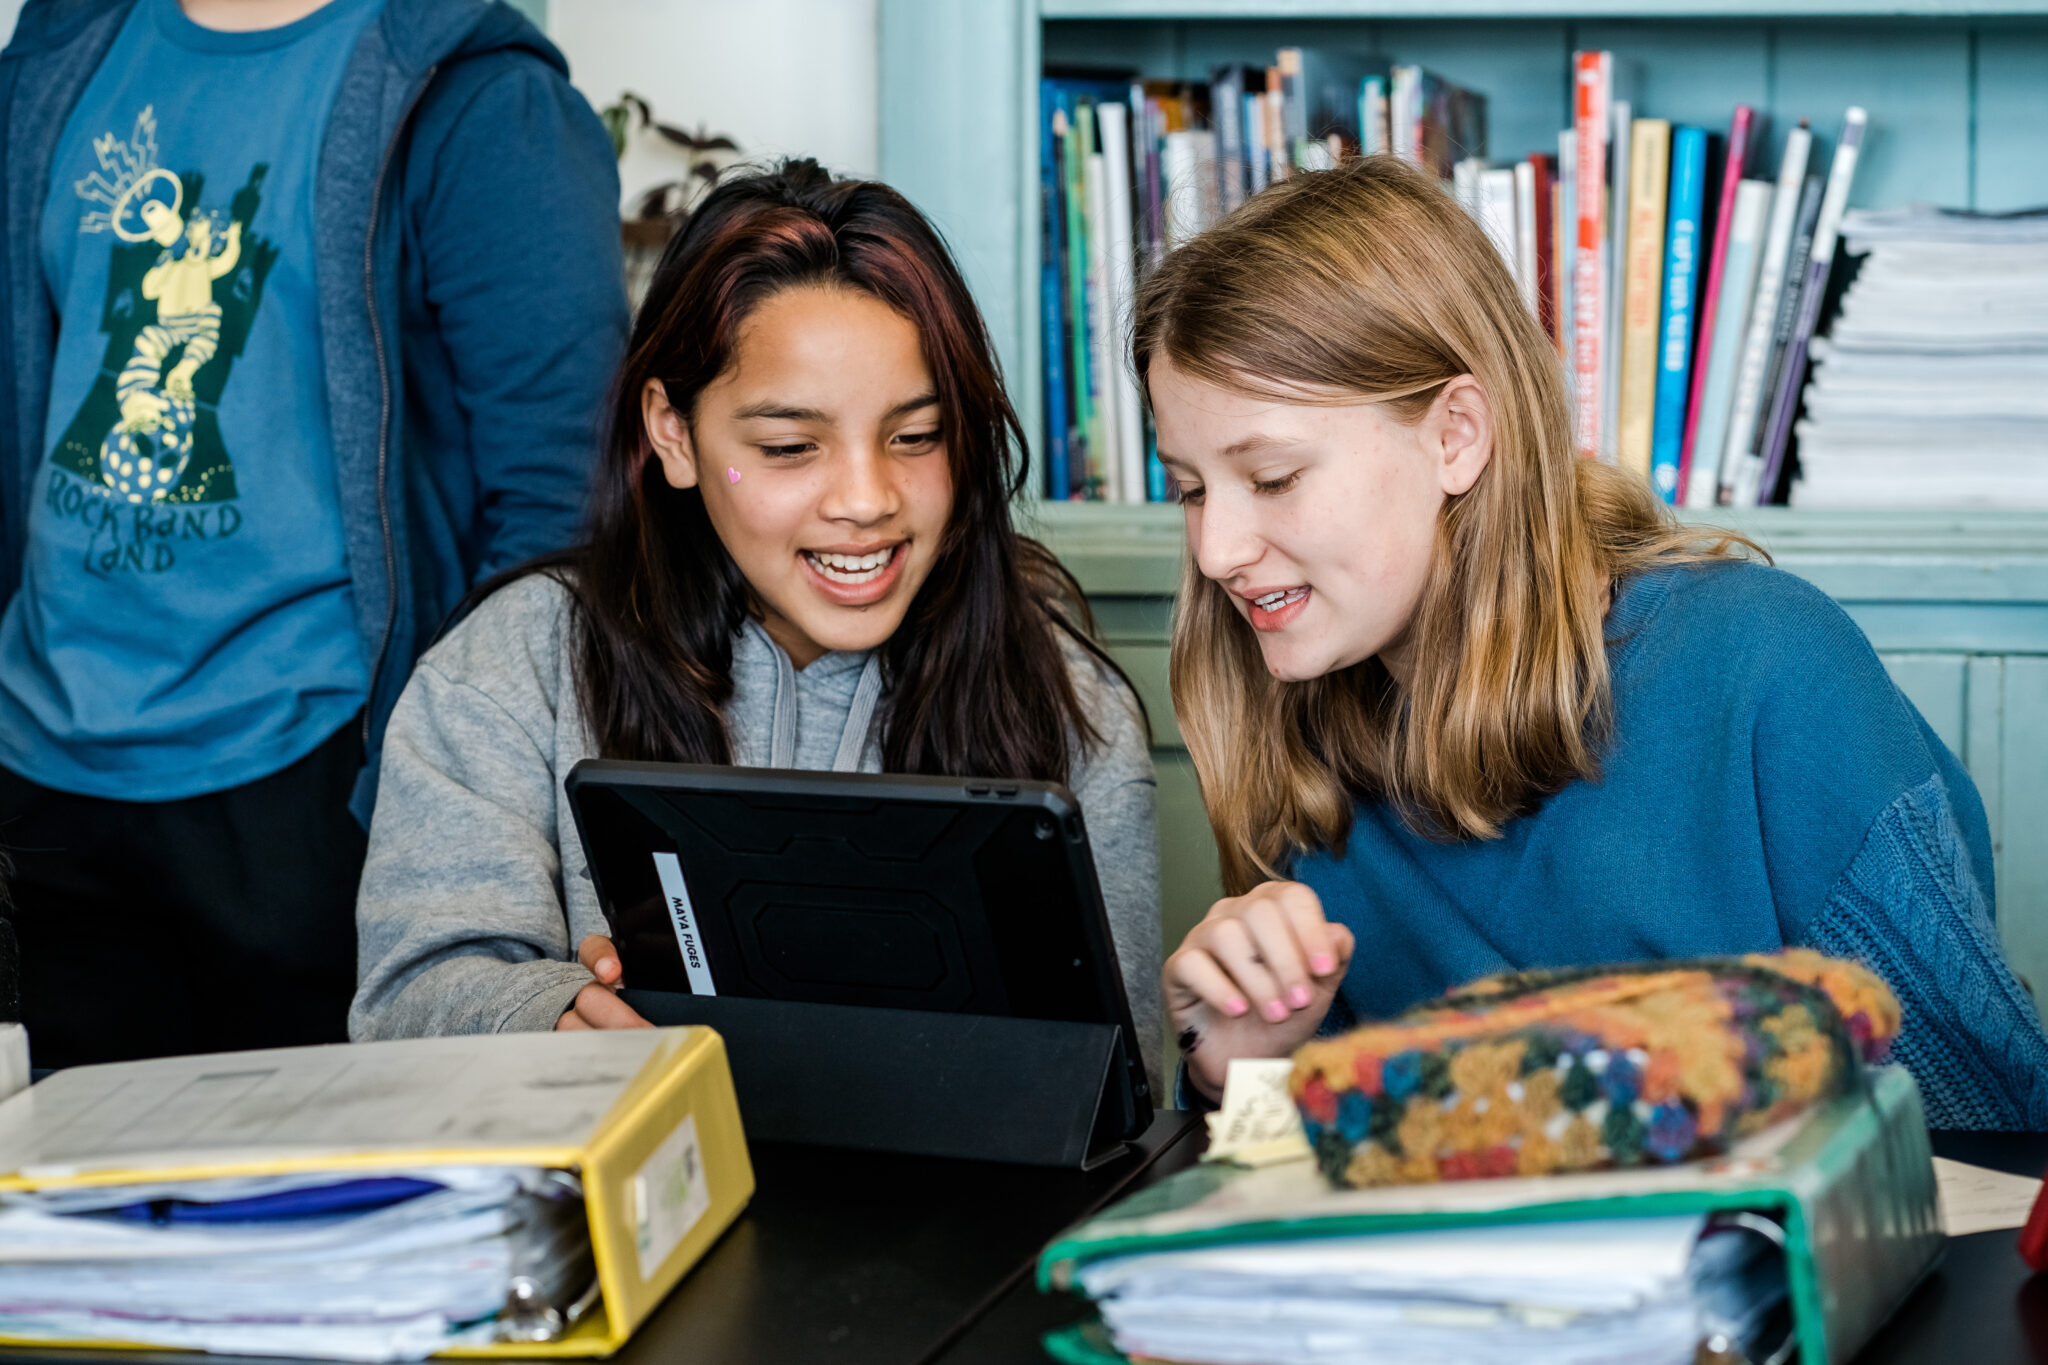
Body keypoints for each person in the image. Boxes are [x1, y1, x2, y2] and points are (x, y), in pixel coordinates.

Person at [1146, 156, 2048, 1129]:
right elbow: (1313, 1189)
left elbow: (1990, 1145)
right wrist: (1235, 1073)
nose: (1216, 549)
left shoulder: (1767, 673)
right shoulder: (1295, 717)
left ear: (1454, 435)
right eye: (1190, 489)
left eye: (1272, 477)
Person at [350, 161, 1165, 1086]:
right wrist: (545, 1016)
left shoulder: (1069, 705)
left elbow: (1116, 1087)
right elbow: (407, 1006)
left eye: (918, 436)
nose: (867, 500)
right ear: (673, 433)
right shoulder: (512, 665)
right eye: (788, 448)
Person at [0, 0, 627, 1068]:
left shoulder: (478, 91)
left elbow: (559, 507)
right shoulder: (68, 40)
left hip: (315, 787)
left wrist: (441, 805)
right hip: (42, 768)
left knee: (316, 1220)